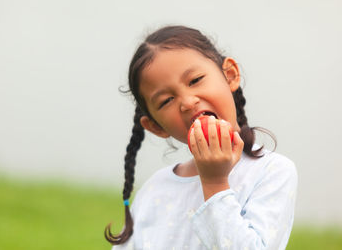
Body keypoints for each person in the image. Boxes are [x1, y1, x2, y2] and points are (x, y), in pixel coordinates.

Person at [104, 25, 298, 249]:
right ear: (156, 126)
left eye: (195, 80)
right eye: (167, 100)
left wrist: (214, 183)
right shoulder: (153, 190)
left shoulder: (271, 172)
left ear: (230, 75)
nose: (188, 102)